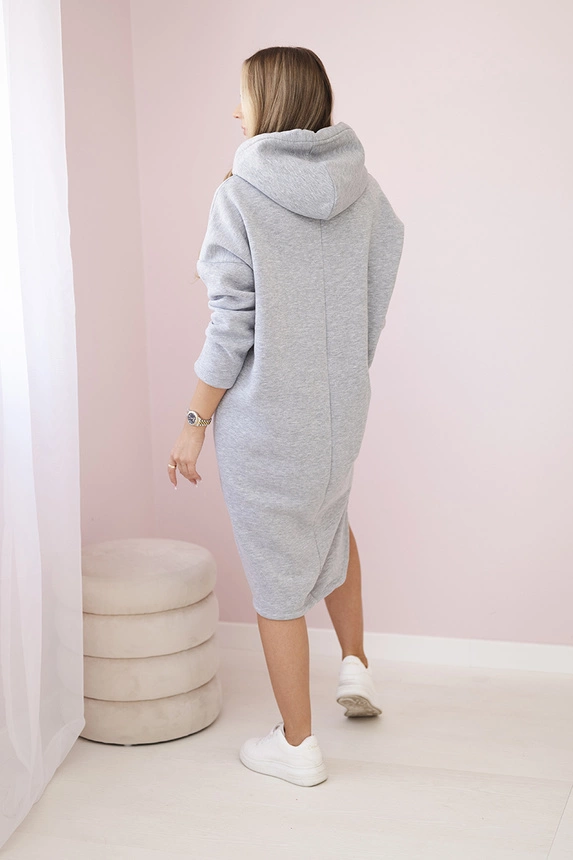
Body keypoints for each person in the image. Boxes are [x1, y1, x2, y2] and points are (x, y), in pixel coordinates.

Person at [167, 46, 405, 787]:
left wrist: (194, 424)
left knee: (276, 579)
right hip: (339, 413)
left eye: (242, 97)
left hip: (267, 422)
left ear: (269, 102)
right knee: (329, 523)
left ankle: (297, 746)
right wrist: (345, 366)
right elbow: (379, 282)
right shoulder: (363, 188)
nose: (235, 112)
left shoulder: (240, 194)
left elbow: (230, 326)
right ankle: (355, 662)